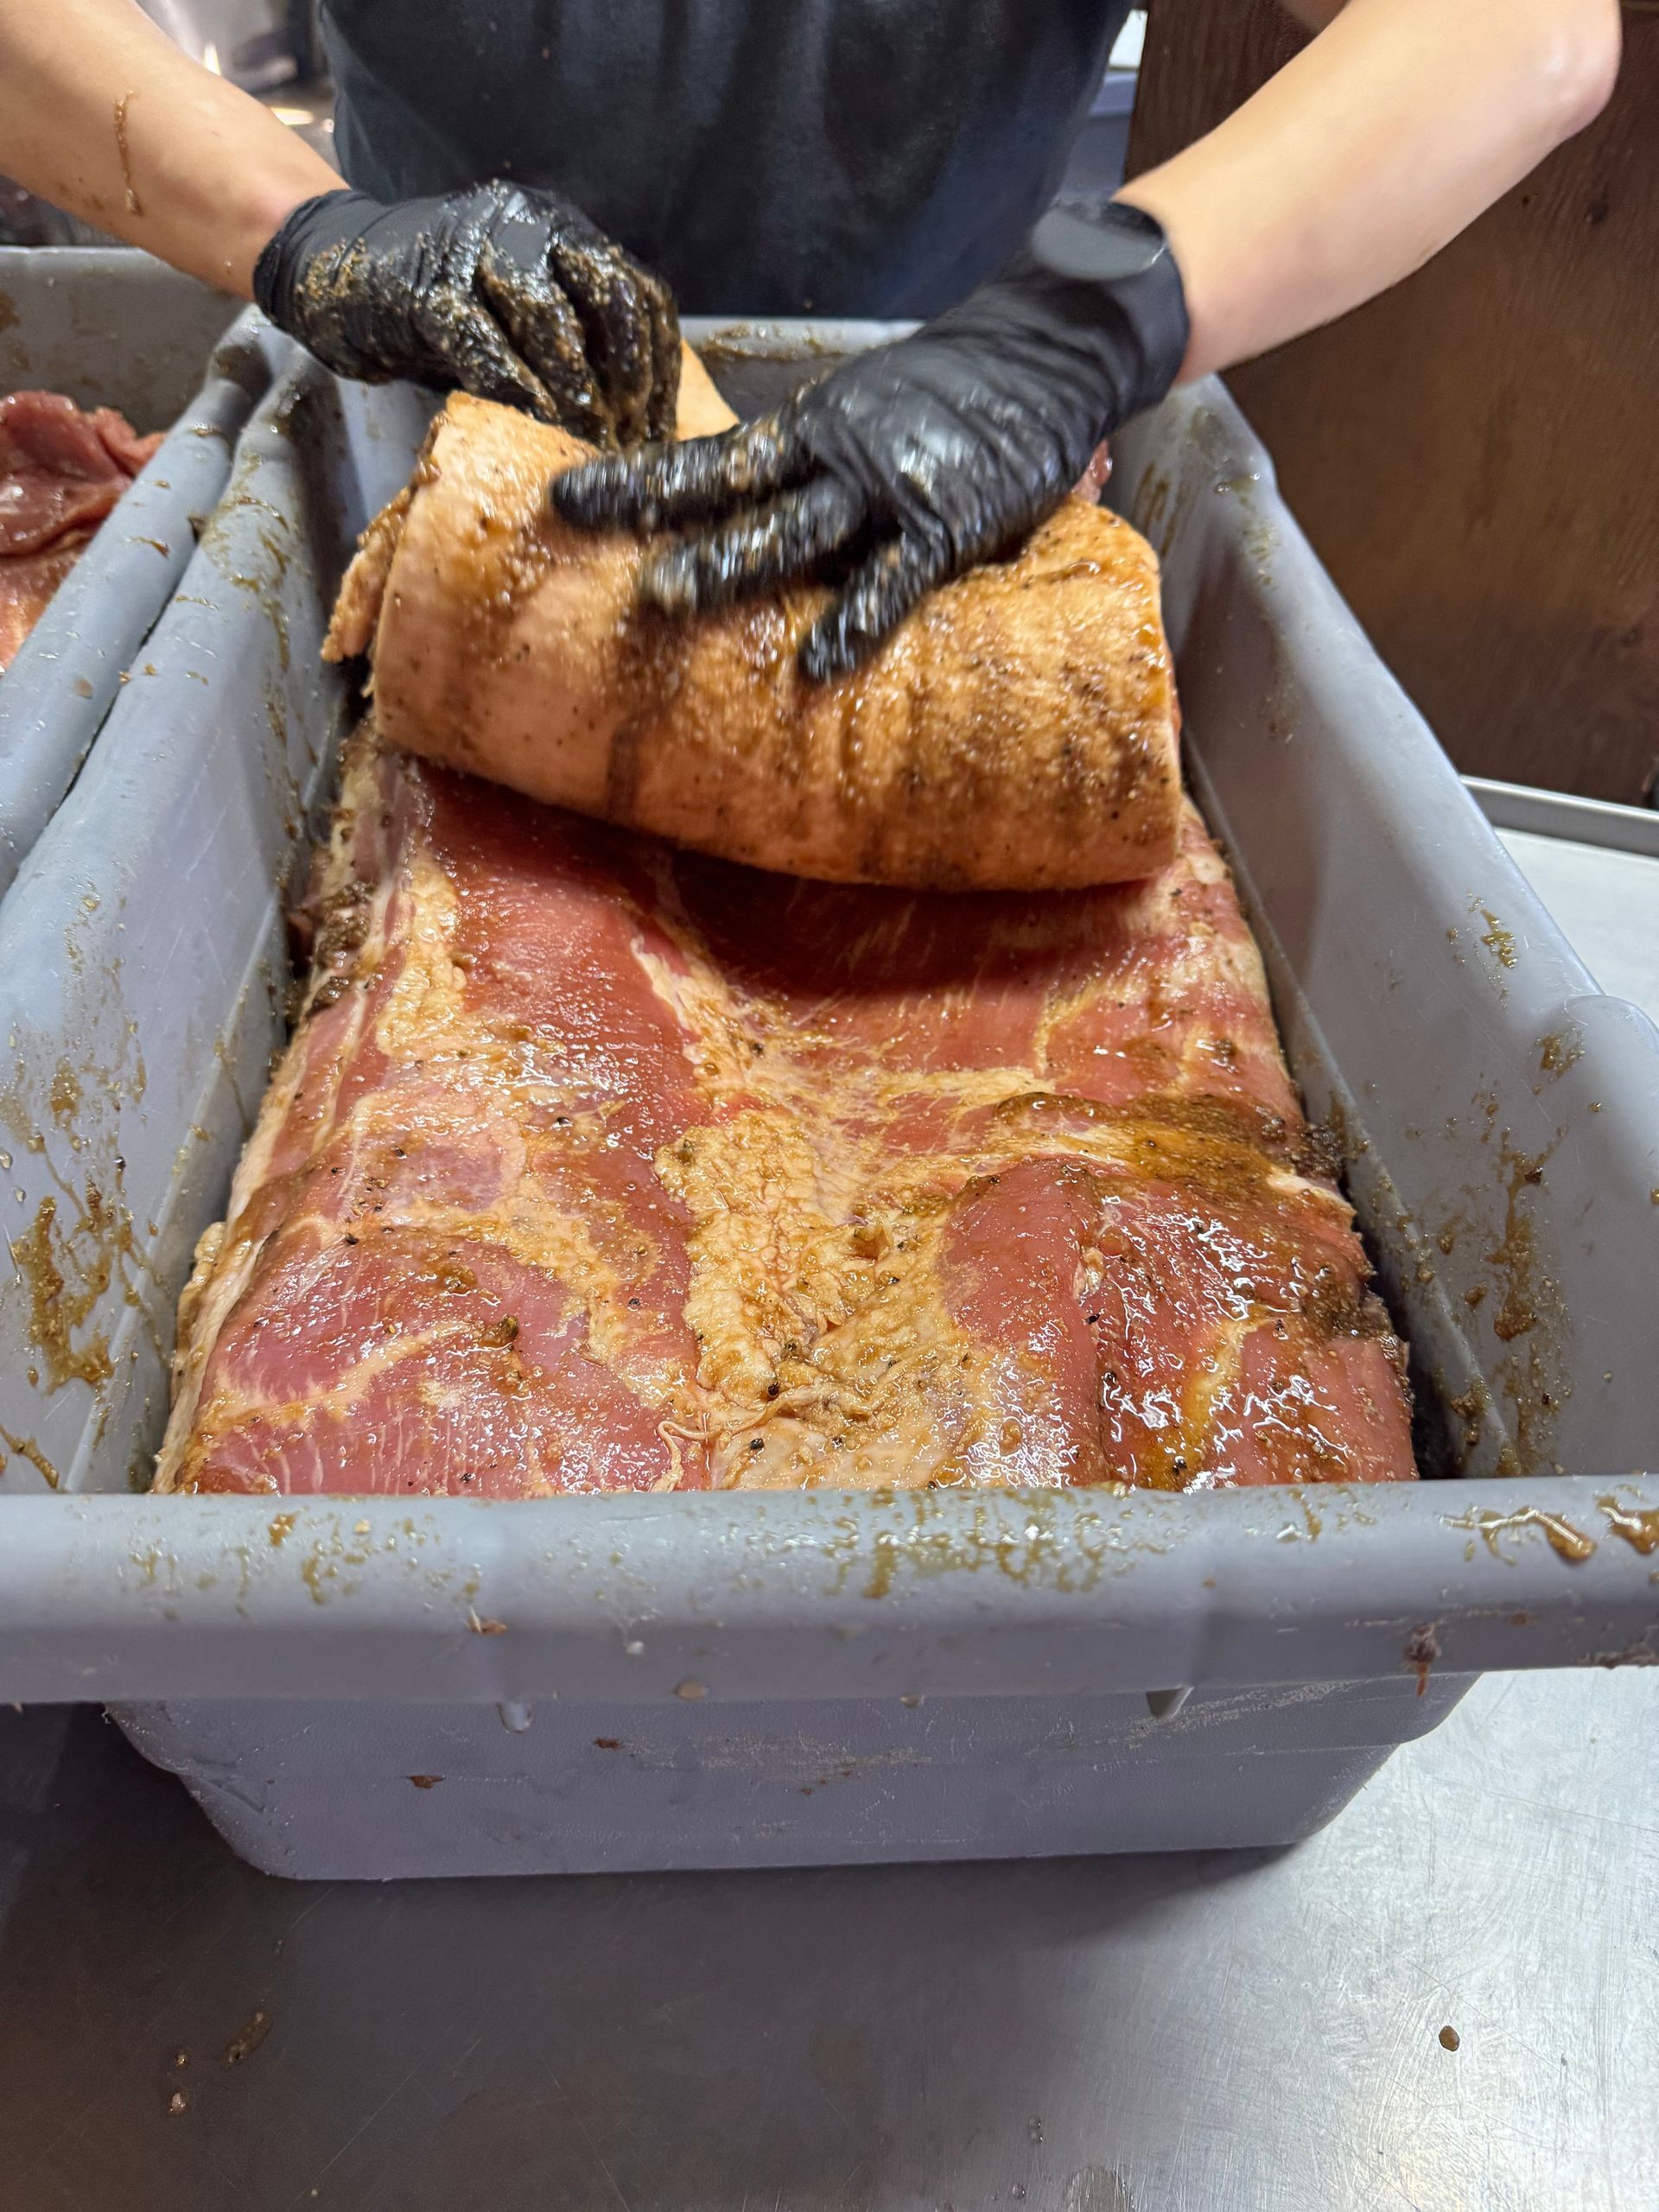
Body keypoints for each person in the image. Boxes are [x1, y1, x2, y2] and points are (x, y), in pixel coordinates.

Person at [0, 1, 1619, 677]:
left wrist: (1085, 323)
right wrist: (302, 230)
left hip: (950, 511)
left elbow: (1525, 24)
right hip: (445, 469)